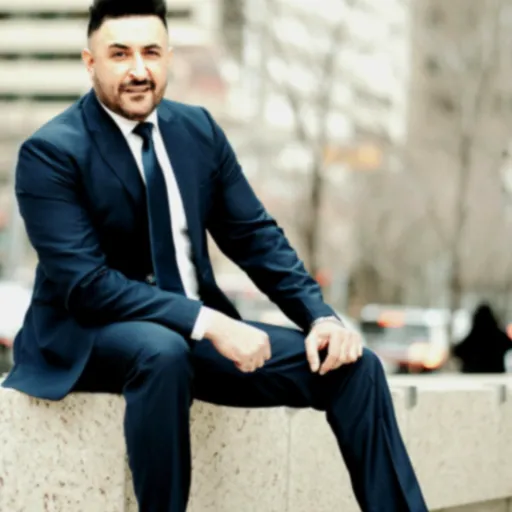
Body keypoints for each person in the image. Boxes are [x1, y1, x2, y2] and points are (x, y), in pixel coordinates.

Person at [1, 1, 428, 510]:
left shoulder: (197, 131)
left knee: (354, 367)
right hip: (86, 336)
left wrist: (320, 317)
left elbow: (255, 237)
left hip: (193, 337)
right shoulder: (52, 151)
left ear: (168, 57)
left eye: (151, 53)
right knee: (162, 351)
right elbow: (87, 286)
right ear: (90, 63)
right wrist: (210, 323)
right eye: (119, 54)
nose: (138, 70)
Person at [453, 302, 511, 373]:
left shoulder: (472, 338)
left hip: (472, 375)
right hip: (494, 374)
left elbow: (457, 351)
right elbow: (509, 344)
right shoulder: (499, 337)